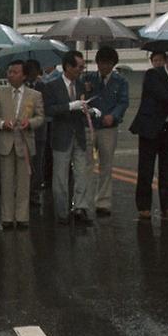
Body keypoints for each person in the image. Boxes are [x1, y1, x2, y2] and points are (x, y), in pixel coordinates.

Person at [129, 48, 168, 220]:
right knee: (146, 169)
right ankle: (144, 206)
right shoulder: (153, 74)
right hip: (150, 128)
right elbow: (163, 95)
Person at [0, 61, 45, 230]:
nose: (10, 74)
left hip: (25, 142)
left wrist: (30, 122)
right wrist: (2, 123)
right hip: (6, 141)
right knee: (6, 181)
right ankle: (6, 217)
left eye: (15, 72)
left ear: (24, 75)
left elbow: (41, 117)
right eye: (9, 71)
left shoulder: (35, 95)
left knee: (23, 182)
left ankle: (22, 217)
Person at [44, 50, 99, 225]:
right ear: (68, 66)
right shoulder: (52, 86)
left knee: (82, 173)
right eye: (79, 67)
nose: (81, 70)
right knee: (60, 176)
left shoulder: (82, 85)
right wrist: (69, 106)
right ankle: (62, 212)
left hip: (79, 135)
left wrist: (89, 111)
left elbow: (85, 107)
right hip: (61, 135)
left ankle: (80, 208)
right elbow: (49, 110)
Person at [82, 47, 130, 217]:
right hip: (90, 125)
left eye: (107, 63)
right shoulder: (88, 78)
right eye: (101, 62)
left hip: (109, 128)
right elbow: (80, 99)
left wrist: (114, 116)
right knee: (86, 164)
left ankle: (103, 201)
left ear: (113, 64)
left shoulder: (120, 81)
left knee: (106, 165)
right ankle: (84, 201)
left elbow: (123, 102)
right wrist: (85, 89)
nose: (103, 66)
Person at [24, 59, 49, 204]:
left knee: (37, 164)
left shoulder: (43, 87)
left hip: (39, 132)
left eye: (34, 70)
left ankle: (34, 192)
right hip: (23, 131)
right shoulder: (21, 87)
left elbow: (45, 108)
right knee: (25, 163)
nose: (32, 73)